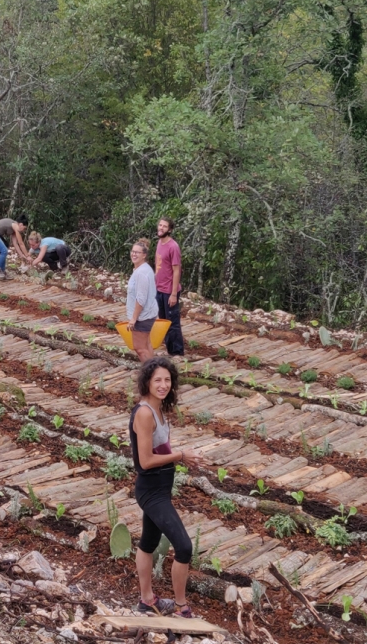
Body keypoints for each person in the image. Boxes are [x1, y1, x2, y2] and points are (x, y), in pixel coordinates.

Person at [129, 357, 203, 618]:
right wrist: (180, 456)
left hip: (160, 488)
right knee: (184, 547)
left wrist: (182, 457)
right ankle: (181, 606)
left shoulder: (157, 409)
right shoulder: (145, 413)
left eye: (167, 380)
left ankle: (146, 600)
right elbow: (146, 460)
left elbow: (160, 449)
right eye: (157, 380)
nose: (163, 385)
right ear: (147, 382)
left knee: (148, 543)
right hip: (151, 490)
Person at [155, 217, 184, 356]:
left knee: (172, 323)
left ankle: (177, 353)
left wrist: (173, 294)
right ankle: (169, 350)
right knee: (162, 321)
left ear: (170, 229)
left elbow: (177, 270)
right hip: (159, 289)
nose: (161, 228)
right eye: (160, 225)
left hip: (169, 290)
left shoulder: (173, 246)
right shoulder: (159, 243)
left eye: (164, 226)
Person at [127, 238, 158, 363]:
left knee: (140, 348)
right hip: (148, 313)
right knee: (146, 344)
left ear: (144, 255)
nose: (134, 254)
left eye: (137, 252)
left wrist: (134, 319)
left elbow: (141, 299)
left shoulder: (141, 273)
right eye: (133, 251)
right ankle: (152, 370)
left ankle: (150, 374)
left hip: (142, 317)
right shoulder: (143, 269)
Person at [0, 214, 30, 280]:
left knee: (4, 250)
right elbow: (21, 243)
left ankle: (2, 271)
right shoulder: (16, 227)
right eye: (24, 228)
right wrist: (27, 256)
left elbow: (15, 244)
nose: (23, 231)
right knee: (4, 251)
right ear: (20, 224)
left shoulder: (14, 228)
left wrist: (22, 255)